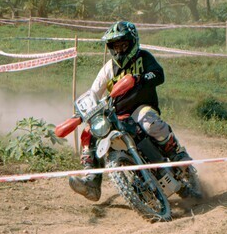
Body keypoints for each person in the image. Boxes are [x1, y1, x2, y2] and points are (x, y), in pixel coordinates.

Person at [68, 21, 190, 201]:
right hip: (118, 113)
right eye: (115, 46)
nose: (119, 50)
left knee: (148, 121)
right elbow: (93, 92)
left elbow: (159, 74)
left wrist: (140, 78)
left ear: (132, 42)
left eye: (123, 44)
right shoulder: (108, 68)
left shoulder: (144, 58)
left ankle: (176, 153)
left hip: (141, 107)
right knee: (89, 133)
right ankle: (92, 181)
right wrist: (81, 113)